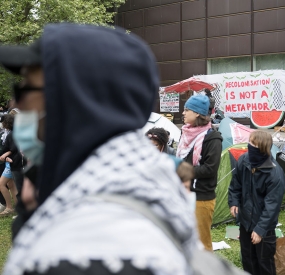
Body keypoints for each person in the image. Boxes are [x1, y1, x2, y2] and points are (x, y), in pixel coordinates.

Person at [0, 23, 198, 275]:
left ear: (76, 100)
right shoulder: (145, 176)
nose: (17, 103)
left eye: (25, 89)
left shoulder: (87, 253)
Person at [228, 131, 285, 275]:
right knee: (248, 259)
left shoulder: (275, 174)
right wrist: (234, 201)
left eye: (253, 144)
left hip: (264, 227)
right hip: (245, 221)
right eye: (250, 142)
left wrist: (260, 229)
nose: (249, 146)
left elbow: (272, 207)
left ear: (262, 147)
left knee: (264, 263)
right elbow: (235, 185)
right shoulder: (243, 160)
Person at [176, 95, 223, 251]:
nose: (183, 113)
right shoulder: (185, 133)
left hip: (201, 197)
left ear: (197, 113)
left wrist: (181, 170)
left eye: (187, 109)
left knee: (202, 244)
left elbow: (210, 169)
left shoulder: (212, 138)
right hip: (183, 194)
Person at [0, 114, 18, 216]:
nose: (2, 124)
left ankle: (9, 207)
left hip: (12, 162)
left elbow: (13, 148)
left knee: (1, 184)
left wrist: (5, 155)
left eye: (3, 122)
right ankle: (17, 207)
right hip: (9, 162)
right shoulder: (9, 132)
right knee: (11, 185)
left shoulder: (12, 134)